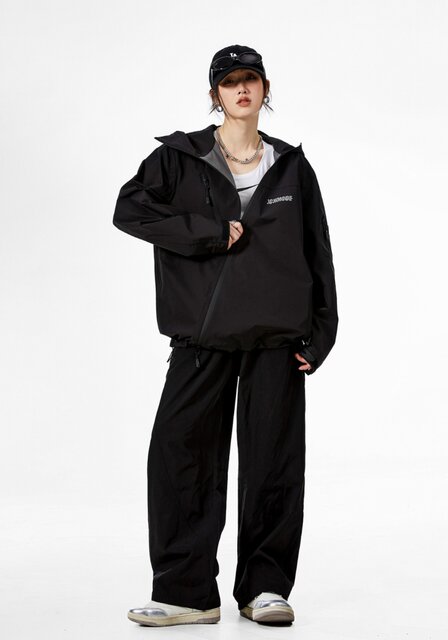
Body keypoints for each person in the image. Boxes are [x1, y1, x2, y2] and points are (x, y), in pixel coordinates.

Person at [112, 44, 338, 627]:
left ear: (265, 89)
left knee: (273, 465)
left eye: (251, 79)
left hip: (276, 339)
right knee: (180, 456)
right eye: (230, 81)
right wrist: (208, 231)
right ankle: (187, 593)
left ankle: (265, 588)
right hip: (201, 335)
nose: (241, 89)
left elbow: (317, 251)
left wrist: (321, 334)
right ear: (215, 93)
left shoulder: (291, 167)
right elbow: (130, 211)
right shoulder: (178, 158)